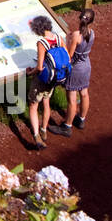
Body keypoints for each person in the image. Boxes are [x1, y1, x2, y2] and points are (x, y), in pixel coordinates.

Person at [24, 15, 69, 148]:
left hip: (42, 79)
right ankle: (44, 129)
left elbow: (39, 67)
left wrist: (29, 73)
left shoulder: (41, 43)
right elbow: (67, 57)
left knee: (33, 105)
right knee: (46, 102)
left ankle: (36, 135)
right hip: (54, 78)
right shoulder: (59, 38)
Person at [64, 8, 95, 129]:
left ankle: (67, 125)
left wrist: (67, 40)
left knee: (72, 98)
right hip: (86, 66)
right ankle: (81, 119)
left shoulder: (76, 35)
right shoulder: (92, 33)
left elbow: (69, 55)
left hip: (76, 69)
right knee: (84, 93)